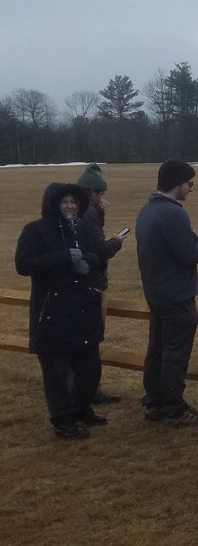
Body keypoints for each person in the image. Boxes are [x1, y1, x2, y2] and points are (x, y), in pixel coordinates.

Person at [136, 160, 198, 427]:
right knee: (175, 355)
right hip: (176, 297)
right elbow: (191, 254)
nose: (191, 188)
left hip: (156, 294)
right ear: (177, 184)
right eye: (189, 184)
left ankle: (155, 399)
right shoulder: (173, 213)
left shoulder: (147, 210)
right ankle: (172, 408)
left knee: (157, 352)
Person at [15, 183, 107, 439]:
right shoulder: (35, 230)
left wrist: (86, 262)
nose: (70, 206)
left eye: (74, 202)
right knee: (56, 373)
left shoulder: (80, 228)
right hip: (52, 313)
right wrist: (64, 258)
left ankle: (81, 408)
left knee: (89, 369)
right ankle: (63, 420)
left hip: (83, 311)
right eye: (65, 202)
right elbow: (23, 264)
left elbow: (94, 255)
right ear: (53, 204)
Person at [75, 162, 129, 404]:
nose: (103, 198)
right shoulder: (89, 214)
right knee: (89, 341)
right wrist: (117, 241)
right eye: (101, 194)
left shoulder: (73, 211)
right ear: (93, 193)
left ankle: (82, 390)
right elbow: (101, 249)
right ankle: (87, 392)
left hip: (77, 284)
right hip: (92, 286)